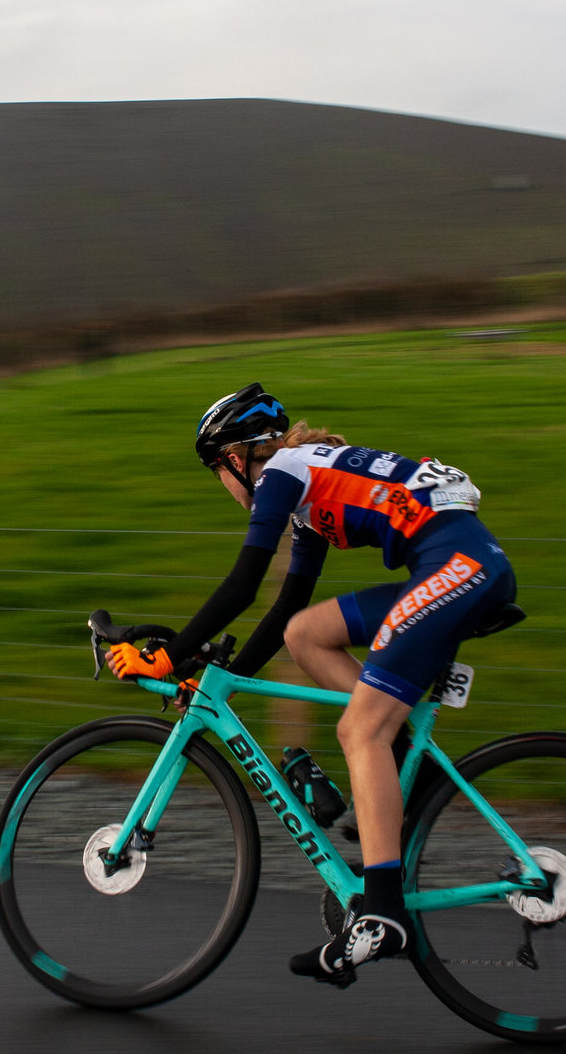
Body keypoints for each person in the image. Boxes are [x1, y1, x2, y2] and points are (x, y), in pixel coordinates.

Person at [103, 382, 516, 987]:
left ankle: (381, 915)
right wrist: (221, 681)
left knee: (358, 730)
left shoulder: (283, 475)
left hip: (459, 569)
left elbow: (244, 586)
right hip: (459, 564)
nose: (222, 484)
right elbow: (282, 610)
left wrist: (169, 658)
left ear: (238, 458)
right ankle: (407, 773)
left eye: (217, 469)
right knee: (306, 633)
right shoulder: (308, 485)